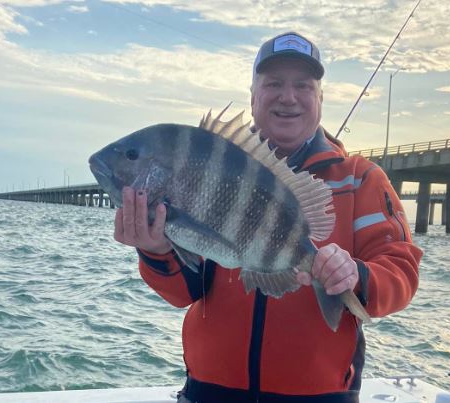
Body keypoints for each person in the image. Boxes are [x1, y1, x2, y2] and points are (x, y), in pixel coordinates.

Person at [113, 32, 422, 403]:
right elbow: (184, 294)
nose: (287, 97)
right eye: (274, 83)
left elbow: (402, 271)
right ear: (254, 95)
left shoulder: (362, 180)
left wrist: (356, 276)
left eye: (302, 86)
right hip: (208, 395)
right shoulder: (207, 169)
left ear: (320, 98)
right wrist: (156, 251)